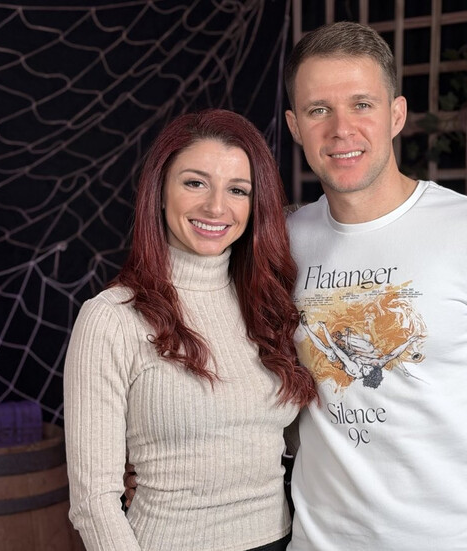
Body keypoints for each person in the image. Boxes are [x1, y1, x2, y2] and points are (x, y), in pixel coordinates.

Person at [280, 21, 467, 550]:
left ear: (396, 114)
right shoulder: (285, 241)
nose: (341, 129)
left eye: (362, 105)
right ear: (294, 125)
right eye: (318, 110)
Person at [64, 109, 316, 551]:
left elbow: (299, 440)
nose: (216, 207)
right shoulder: (111, 318)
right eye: (195, 183)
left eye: (237, 190)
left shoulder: (269, 305)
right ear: (160, 191)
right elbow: (94, 503)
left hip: (282, 540)